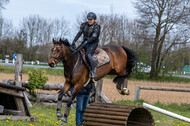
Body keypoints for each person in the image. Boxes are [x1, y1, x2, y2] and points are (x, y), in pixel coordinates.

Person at [72, 12, 101, 78]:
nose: (89, 21)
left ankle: (93, 71)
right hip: (85, 42)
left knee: (88, 54)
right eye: (88, 19)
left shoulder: (96, 27)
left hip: (93, 43)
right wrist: (74, 41)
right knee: (76, 52)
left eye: (91, 19)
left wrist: (87, 42)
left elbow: (94, 37)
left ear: (94, 19)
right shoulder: (84, 25)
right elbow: (79, 33)